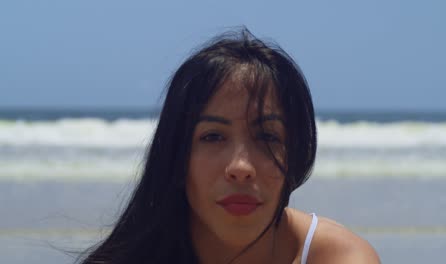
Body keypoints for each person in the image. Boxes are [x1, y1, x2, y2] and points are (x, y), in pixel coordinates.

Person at [79, 28, 380, 264]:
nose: (241, 168)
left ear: (295, 153)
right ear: (176, 154)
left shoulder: (336, 258)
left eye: (267, 137)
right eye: (213, 136)